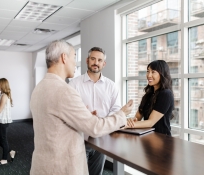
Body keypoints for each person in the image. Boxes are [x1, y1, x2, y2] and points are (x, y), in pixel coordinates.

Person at [29, 40, 133, 175]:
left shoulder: (39, 88)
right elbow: (94, 128)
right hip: (61, 166)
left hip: (44, 164)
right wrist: (122, 114)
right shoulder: (65, 91)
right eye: (74, 57)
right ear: (64, 58)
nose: (75, 64)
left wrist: (84, 114)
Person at [69, 47, 120, 175]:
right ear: (87, 60)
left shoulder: (111, 86)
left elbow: (116, 109)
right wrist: (85, 116)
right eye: (93, 59)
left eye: (99, 60)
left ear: (104, 63)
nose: (96, 62)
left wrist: (103, 123)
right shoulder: (74, 84)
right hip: (80, 139)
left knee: (96, 173)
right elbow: (69, 109)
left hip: (101, 140)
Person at [126, 60, 174, 136]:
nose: (149, 75)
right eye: (148, 71)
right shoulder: (147, 95)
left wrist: (125, 125)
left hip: (163, 140)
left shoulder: (166, 94)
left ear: (162, 74)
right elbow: (137, 118)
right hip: (148, 138)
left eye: (153, 72)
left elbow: (150, 122)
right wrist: (130, 121)